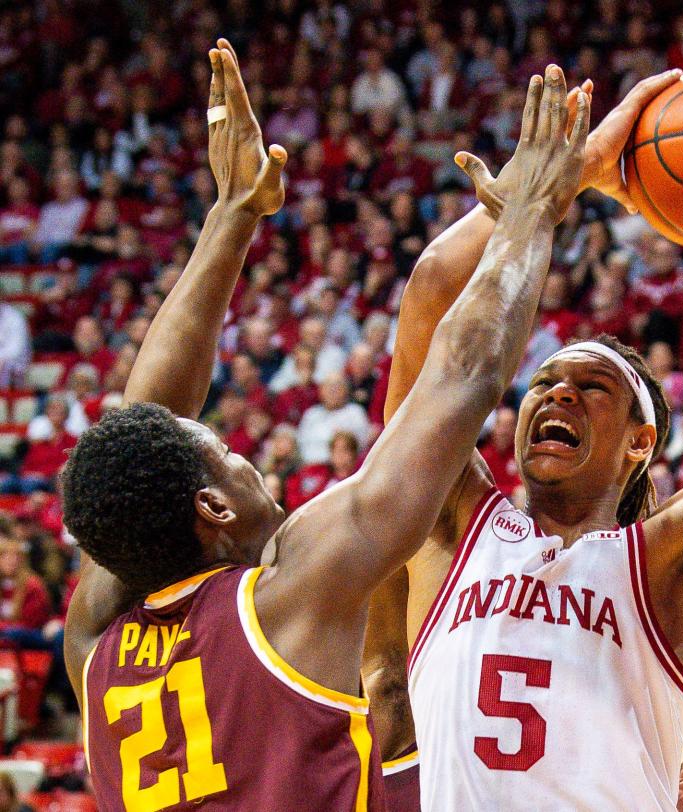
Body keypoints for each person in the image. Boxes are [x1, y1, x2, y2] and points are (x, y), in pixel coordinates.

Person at [64, 46, 592, 810]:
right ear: (212, 511)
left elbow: (146, 431)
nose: (249, 462)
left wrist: (234, 212)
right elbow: (460, 382)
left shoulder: (94, 652)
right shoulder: (287, 600)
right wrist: (532, 217)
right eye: (228, 455)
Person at [363, 78, 683, 809]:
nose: (559, 392)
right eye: (545, 382)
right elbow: (435, 287)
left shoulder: (673, 558)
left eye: (592, 386)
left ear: (642, 441)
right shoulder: (452, 521)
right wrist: (571, 178)